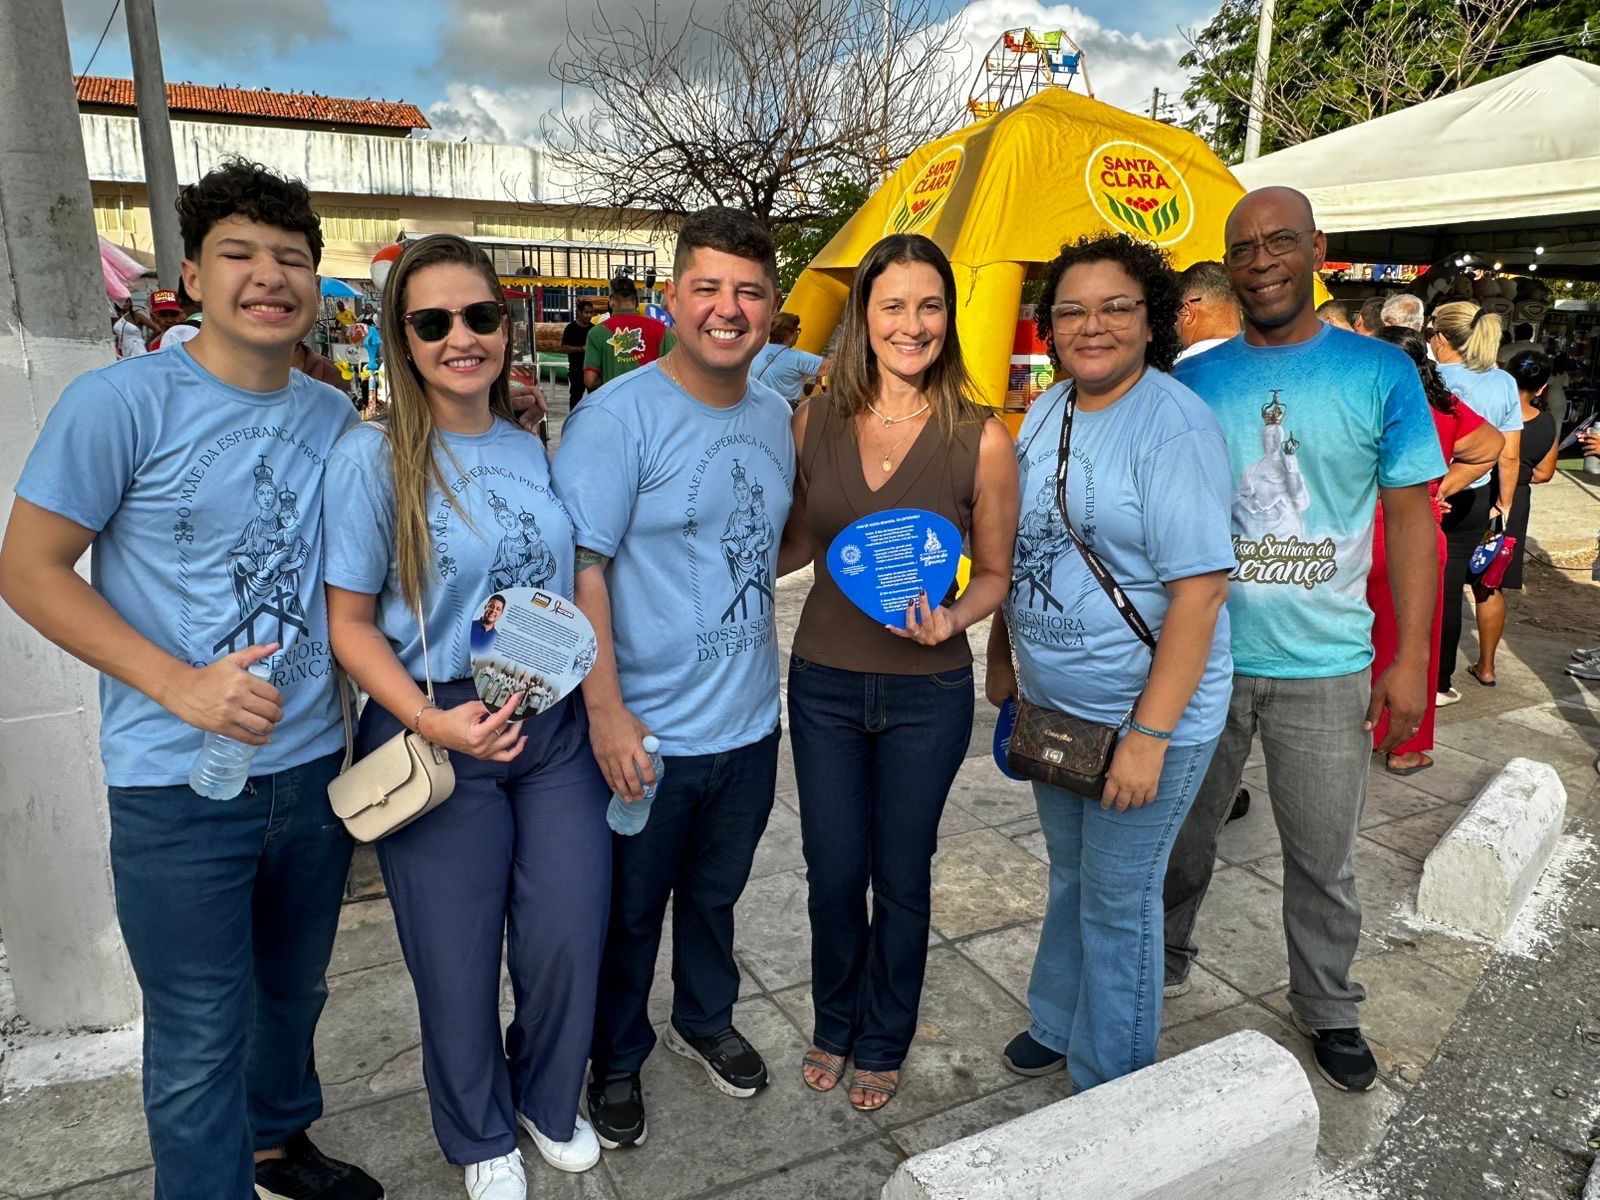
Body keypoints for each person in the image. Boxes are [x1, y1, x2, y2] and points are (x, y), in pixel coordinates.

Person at [0, 159, 381, 1200]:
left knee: (293, 994)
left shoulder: (330, 417)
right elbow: (28, 569)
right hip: (176, 782)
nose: (270, 277)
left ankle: (274, 1147)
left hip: (312, 771)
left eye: (291, 259)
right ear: (193, 276)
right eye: (239, 254)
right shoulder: (121, 402)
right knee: (199, 1028)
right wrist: (176, 684)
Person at [324, 234, 610, 1200]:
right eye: (433, 321)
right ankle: (479, 1128)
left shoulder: (530, 444)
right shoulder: (372, 460)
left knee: (567, 926)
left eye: (480, 316)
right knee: (454, 956)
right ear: (401, 337)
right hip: (438, 724)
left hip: (548, 720)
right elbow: (350, 625)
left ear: (505, 325)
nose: (461, 338)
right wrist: (427, 718)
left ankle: (545, 1095)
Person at [1161, 187, 1444, 1094]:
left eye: (1281, 242)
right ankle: (1157, 959)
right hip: (1203, 662)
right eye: (1243, 249)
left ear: (1318, 249)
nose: (1263, 262)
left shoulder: (1380, 374)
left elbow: (1412, 522)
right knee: (1179, 838)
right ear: (1228, 265)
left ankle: (1327, 1006)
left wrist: (1409, 660)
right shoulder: (1195, 381)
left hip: (1327, 667)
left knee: (1324, 859)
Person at [553, 208, 793, 1150]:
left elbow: (770, 541)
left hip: (749, 722)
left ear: (772, 304)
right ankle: (615, 1057)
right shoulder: (616, 420)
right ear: (671, 298)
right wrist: (606, 712)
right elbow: (583, 570)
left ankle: (705, 1018)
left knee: (716, 896)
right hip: (647, 734)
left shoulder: (773, 413)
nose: (728, 309)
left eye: (748, 291)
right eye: (708, 288)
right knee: (627, 914)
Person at [982, 233, 1232, 1091]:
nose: (1093, 326)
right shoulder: (1049, 408)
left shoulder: (1174, 427)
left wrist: (1149, 738)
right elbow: (1022, 544)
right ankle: (1058, 1020)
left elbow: (1200, 594)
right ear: (1050, 327)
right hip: (1058, 707)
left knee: (1120, 902)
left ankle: (1110, 1085)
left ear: (1151, 319)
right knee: (1072, 877)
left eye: (1116, 307)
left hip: (1144, 718)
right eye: (1072, 310)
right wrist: (1004, 653)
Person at [779, 233, 1019, 1111]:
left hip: (929, 693)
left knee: (903, 875)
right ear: (864, 317)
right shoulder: (814, 423)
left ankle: (883, 1037)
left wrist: (954, 617)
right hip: (824, 685)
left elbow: (996, 572)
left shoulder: (981, 439)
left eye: (929, 306)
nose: (911, 325)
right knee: (834, 870)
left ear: (949, 317)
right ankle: (834, 1019)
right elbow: (793, 543)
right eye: (892, 306)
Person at [1367, 327, 1504, 774]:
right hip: (1419, 534)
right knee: (1411, 642)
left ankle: (1356, 729)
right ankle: (1404, 748)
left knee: (1353, 639)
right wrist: (1439, 489)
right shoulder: (1443, 407)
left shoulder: (1362, 402)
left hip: (1357, 530)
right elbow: (1492, 445)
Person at [1428, 301, 1522, 704]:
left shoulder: (1426, 375)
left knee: (1412, 584)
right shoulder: (1503, 381)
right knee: (1451, 589)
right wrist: (1504, 503)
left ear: (1441, 337)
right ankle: (1440, 682)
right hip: (1475, 492)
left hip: (1427, 488)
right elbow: (1509, 453)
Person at [1468, 351, 1559, 685]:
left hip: (1475, 491)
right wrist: (1519, 475)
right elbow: (1545, 473)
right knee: (1490, 584)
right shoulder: (1547, 423)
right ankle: (1487, 666)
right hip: (1514, 504)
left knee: (1448, 575)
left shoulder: (1488, 410)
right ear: (1542, 388)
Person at [582, 275, 675, 391]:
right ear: (636, 301)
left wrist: (610, 379)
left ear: (611, 301)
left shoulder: (596, 333)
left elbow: (590, 380)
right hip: (651, 400)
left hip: (614, 400)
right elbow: (675, 372)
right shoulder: (661, 329)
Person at [750, 312, 831, 408]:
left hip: (755, 403)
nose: (798, 334)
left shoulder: (756, 350)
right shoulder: (798, 357)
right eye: (797, 330)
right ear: (790, 335)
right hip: (784, 408)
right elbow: (831, 367)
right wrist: (817, 381)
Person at [1173, 260, 1239, 361]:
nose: (1175, 325)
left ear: (1189, 312)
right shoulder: (1262, 354)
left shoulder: (1179, 367)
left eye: (1175, 317)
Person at [561, 302, 592, 410]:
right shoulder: (571, 328)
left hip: (591, 370)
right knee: (575, 399)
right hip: (576, 370)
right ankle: (573, 418)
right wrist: (580, 349)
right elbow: (564, 347)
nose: (589, 315)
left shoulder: (593, 329)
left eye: (590, 313)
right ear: (579, 312)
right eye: (586, 312)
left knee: (594, 398)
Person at [156, 281, 205, 349]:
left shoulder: (175, 333)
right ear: (153, 317)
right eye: (163, 315)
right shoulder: (153, 344)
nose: (169, 320)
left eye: (174, 314)